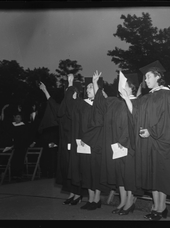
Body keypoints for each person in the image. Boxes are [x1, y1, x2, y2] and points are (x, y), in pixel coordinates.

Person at [120, 61, 170, 221]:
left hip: (162, 141)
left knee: (160, 175)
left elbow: (168, 119)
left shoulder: (166, 94)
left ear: (158, 76)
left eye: (148, 76)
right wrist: (127, 99)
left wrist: (151, 131)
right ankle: (157, 207)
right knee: (153, 175)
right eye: (145, 77)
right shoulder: (147, 97)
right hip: (150, 141)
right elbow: (136, 112)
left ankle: (161, 208)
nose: (146, 80)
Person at [93, 72, 143, 215]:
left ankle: (129, 202)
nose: (121, 88)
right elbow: (100, 102)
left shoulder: (138, 102)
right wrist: (96, 83)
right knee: (119, 175)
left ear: (131, 88)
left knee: (128, 175)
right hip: (117, 145)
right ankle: (122, 201)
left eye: (124, 85)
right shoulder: (116, 103)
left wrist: (124, 141)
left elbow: (134, 124)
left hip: (129, 145)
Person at [39, 75, 82, 206]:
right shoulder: (63, 110)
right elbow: (54, 105)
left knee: (75, 169)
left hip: (75, 143)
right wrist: (45, 91)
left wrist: (70, 83)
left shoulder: (78, 107)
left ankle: (78, 194)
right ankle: (71, 193)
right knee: (66, 169)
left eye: (70, 94)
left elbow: (69, 103)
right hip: (64, 143)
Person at [71, 72, 109, 211]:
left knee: (96, 171)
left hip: (97, 141)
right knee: (86, 171)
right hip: (84, 141)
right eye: (87, 89)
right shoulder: (82, 105)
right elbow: (77, 123)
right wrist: (79, 138)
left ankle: (97, 199)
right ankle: (90, 198)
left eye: (91, 88)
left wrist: (95, 82)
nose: (88, 91)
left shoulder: (101, 104)